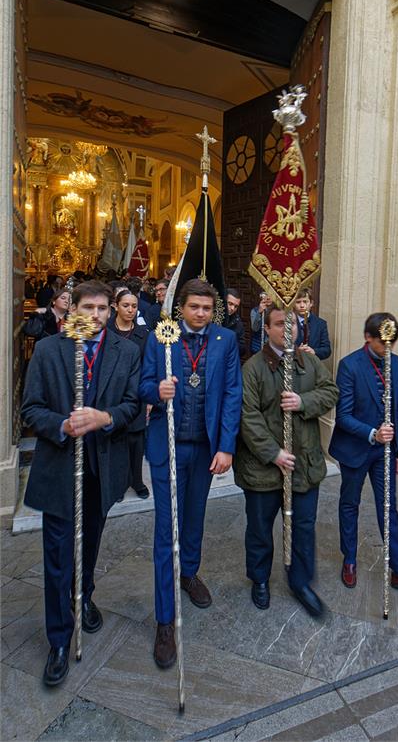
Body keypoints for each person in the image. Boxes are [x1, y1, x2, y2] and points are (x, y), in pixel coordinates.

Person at [21, 281, 141, 687]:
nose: (95, 316)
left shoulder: (127, 351)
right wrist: (61, 424)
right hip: (59, 470)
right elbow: (30, 409)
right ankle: (58, 637)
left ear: (111, 311)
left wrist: (105, 418)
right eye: (87, 307)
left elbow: (131, 405)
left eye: (102, 308)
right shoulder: (49, 351)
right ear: (72, 308)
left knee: (89, 544)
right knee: (58, 554)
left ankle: (84, 595)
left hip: (100, 468)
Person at [139, 278, 242, 669]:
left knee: (196, 515)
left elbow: (233, 392)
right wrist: (157, 391)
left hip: (205, 446)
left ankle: (190, 572)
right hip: (167, 445)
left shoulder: (225, 341)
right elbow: (142, 385)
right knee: (167, 529)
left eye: (206, 307)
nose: (200, 313)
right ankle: (165, 620)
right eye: (193, 306)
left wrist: (227, 445)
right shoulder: (159, 339)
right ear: (180, 307)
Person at [235, 305, 339, 616]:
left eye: (291, 324)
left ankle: (300, 581)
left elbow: (331, 391)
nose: (287, 330)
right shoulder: (253, 368)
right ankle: (260, 579)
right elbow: (248, 417)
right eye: (280, 324)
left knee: (303, 527)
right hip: (263, 468)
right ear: (266, 329)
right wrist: (274, 453)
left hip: (304, 464)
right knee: (259, 528)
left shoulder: (308, 360)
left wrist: (303, 401)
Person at [329, 313, 398, 595]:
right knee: (350, 505)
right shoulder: (349, 365)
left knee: (388, 508)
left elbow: (396, 409)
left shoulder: (396, 364)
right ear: (368, 338)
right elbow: (343, 416)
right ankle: (349, 560)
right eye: (382, 344)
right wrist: (373, 433)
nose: (388, 350)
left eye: (392, 345)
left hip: (384, 452)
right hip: (355, 449)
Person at [108, 289, 150, 499]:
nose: (131, 310)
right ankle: (120, 482)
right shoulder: (106, 331)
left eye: (134, 306)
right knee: (117, 440)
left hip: (137, 394)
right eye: (126, 305)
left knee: (137, 441)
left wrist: (149, 398)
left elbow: (149, 366)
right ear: (115, 306)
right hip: (112, 394)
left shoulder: (144, 334)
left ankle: (137, 480)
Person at [293, 288, 331, 360]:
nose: (302, 305)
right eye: (298, 302)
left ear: (311, 303)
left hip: (313, 366)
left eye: (305, 302)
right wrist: (297, 351)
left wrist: (314, 351)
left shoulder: (321, 324)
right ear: (293, 304)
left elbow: (327, 350)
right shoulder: (287, 322)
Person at [224, 287, 246, 357]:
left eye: (236, 306)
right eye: (230, 304)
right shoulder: (211, 316)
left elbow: (242, 348)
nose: (232, 308)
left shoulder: (238, 323)